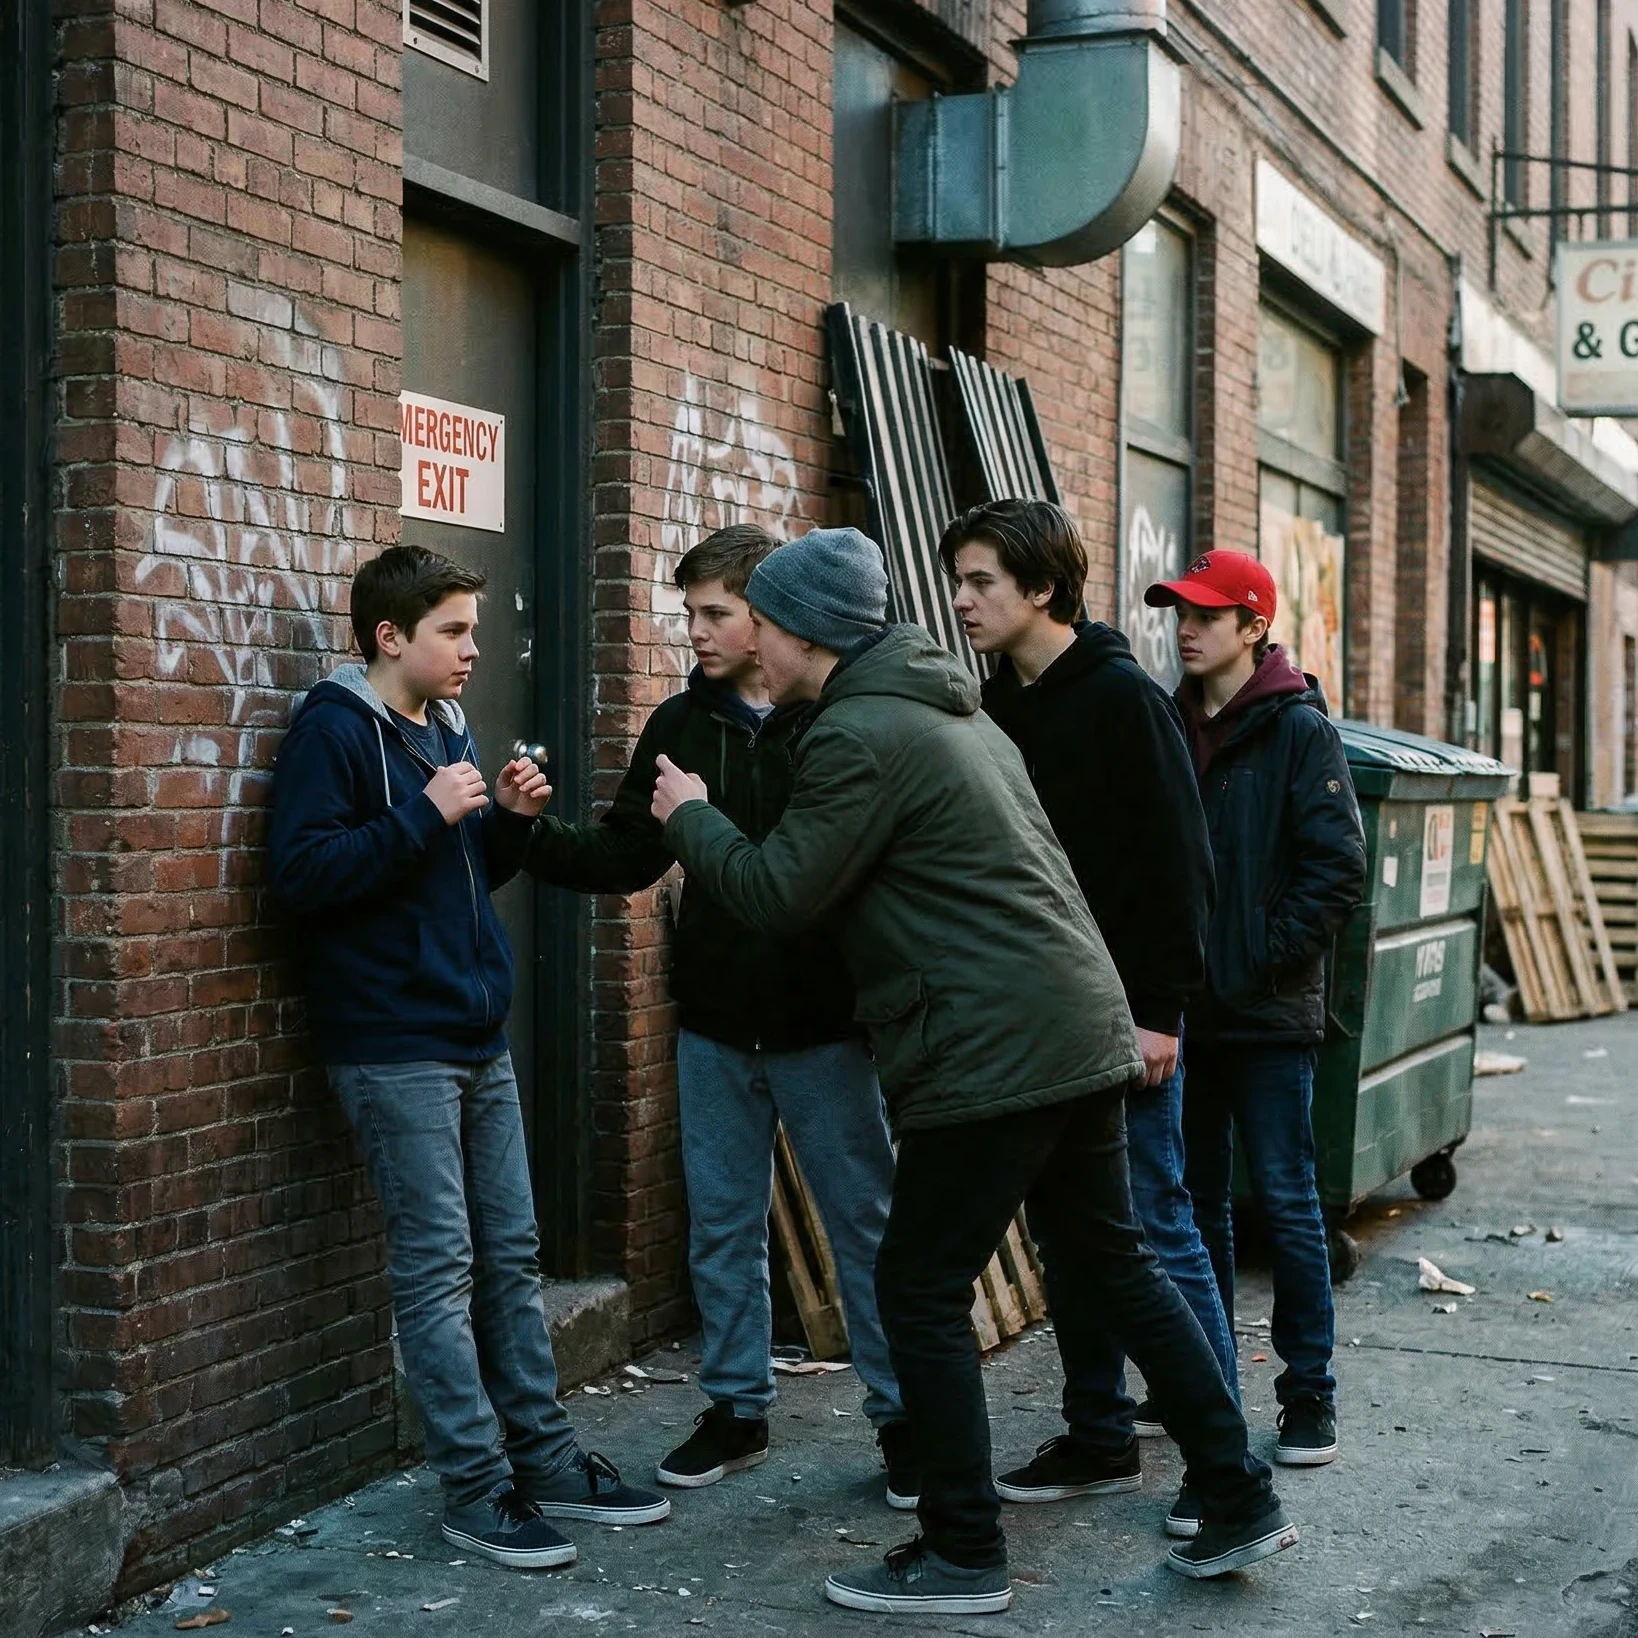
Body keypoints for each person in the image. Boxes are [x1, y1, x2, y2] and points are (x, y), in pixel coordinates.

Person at [650, 526, 1297, 1617]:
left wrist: (694, 817)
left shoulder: (862, 735)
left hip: (992, 1048)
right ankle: (1235, 1492)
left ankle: (961, 1551)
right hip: (1068, 1030)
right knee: (1114, 1263)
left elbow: (774, 897)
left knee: (917, 1286)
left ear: (800, 630)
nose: (742, 629)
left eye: (755, 612)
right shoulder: (950, 712)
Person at [268, 545, 670, 1573]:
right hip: (394, 1046)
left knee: (511, 1257)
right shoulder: (335, 728)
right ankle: (475, 1487)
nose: (473, 650)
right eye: (453, 630)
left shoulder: (443, 726)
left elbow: (451, 877)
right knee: (439, 1271)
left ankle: (542, 1462)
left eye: (472, 629)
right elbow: (306, 876)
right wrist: (424, 813)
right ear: (389, 636)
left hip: (473, 1034)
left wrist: (508, 823)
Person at [521, 523, 913, 1505]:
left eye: (713, 612)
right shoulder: (679, 727)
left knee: (865, 1225)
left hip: (825, 1026)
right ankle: (737, 1408)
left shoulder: (832, 722)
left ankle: (905, 1418)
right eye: (687, 611)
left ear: (767, 617)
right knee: (723, 1224)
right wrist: (523, 833)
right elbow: (625, 853)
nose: (693, 630)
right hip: (714, 1023)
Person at [941, 499, 1233, 1540]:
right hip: (1038, 1024)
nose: (962, 599)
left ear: (1044, 590)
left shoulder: (1119, 699)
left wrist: (1161, 1015)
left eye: (981, 581)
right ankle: (1100, 1432)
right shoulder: (991, 706)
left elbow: (1179, 868)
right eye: (959, 579)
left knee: (1153, 1232)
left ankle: (1219, 1458)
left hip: (1125, 1018)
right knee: (1073, 1238)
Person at [1142, 549, 1366, 1471]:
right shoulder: (1165, 720)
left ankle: (1308, 1397)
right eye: (1177, 613)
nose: (1185, 628)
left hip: (1267, 1018)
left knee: (1286, 1204)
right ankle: (1207, 1385)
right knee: (1194, 1207)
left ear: (1253, 625)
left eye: (1204, 614)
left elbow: (1336, 871)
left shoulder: (1300, 731)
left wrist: (1255, 963)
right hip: (1183, 1016)